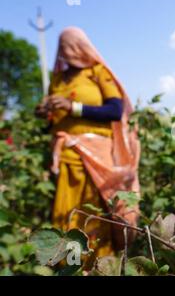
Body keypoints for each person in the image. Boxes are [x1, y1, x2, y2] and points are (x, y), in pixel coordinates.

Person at [35, 27, 140, 260]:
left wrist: (72, 106)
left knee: (94, 214)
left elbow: (115, 110)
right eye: (63, 46)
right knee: (65, 214)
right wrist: (44, 111)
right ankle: (69, 267)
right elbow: (54, 119)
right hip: (65, 158)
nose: (66, 51)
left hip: (95, 156)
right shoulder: (58, 79)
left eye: (71, 45)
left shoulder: (97, 72)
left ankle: (98, 265)